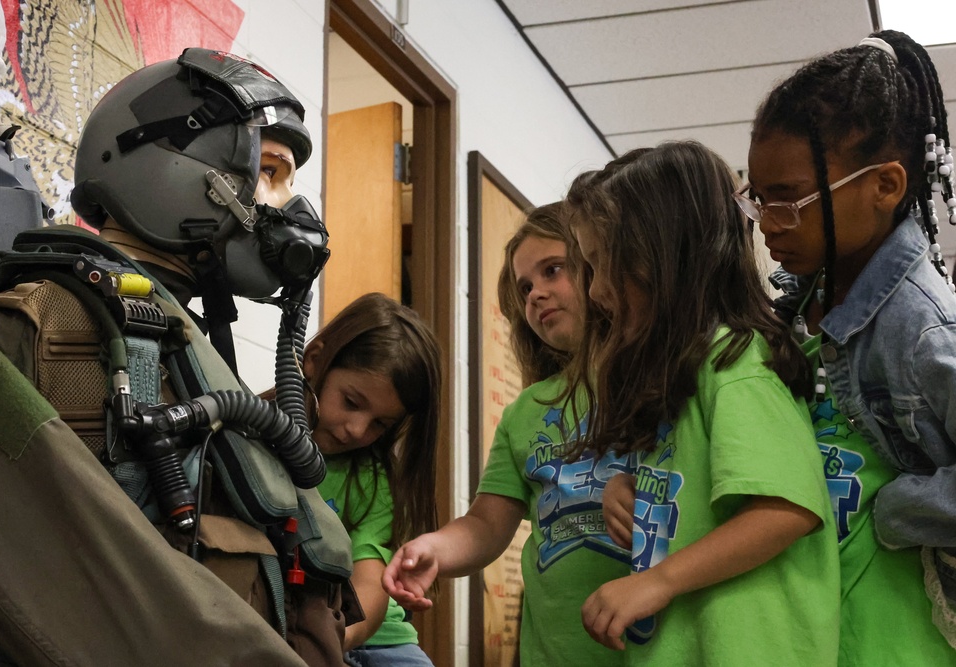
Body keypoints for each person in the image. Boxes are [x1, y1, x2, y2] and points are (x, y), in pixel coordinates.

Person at [0, 48, 354, 666]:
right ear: (180, 165)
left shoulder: (180, 346)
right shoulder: (45, 324)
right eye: (269, 172)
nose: (290, 209)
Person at [564, 141, 840, 663]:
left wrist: (661, 580)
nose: (596, 290)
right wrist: (634, 492)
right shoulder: (692, 373)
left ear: (663, 256)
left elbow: (786, 508)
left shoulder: (735, 364)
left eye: (603, 265)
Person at [741, 30, 956, 658]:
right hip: (824, 622)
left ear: (885, 186)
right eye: (758, 200)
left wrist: (892, 509)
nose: (769, 225)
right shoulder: (805, 295)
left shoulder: (922, 326)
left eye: (787, 202)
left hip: (904, 633)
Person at [382, 202, 633, 665]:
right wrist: (433, 548)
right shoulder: (526, 411)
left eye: (553, 270)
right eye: (525, 286)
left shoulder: (652, 379)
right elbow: (484, 526)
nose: (536, 294)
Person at [274, 292, 441, 666]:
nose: (356, 430)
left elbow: (371, 585)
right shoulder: (250, 436)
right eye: (351, 402)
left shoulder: (373, 480)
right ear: (315, 360)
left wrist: (332, 641)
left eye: (380, 423)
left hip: (377, 641)